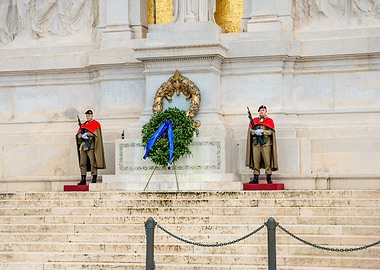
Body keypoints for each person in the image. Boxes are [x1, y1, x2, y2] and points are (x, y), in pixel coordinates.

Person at [245, 105, 278, 184]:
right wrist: (254, 132)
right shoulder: (254, 120)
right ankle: (256, 177)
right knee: (256, 161)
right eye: (260, 110)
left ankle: (268, 177)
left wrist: (263, 132)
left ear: (266, 112)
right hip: (256, 144)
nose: (261, 111)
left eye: (263, 110)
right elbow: (250, 131)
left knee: (267, 161)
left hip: (266, 144)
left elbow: (271, 132)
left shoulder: (270, 121)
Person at [76, 110, 106, 185]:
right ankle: (83, 178)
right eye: (87, 115)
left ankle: (94, 177)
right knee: (82, 163)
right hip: (83, 146)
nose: (88, 117)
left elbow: (96, 134)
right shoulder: (83, 125)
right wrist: (81, 135)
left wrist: (87, 134)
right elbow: (78, 134)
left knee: (93, 163)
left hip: (91, 146)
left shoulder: (96, 124)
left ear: (92, 115)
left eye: (89, 115)